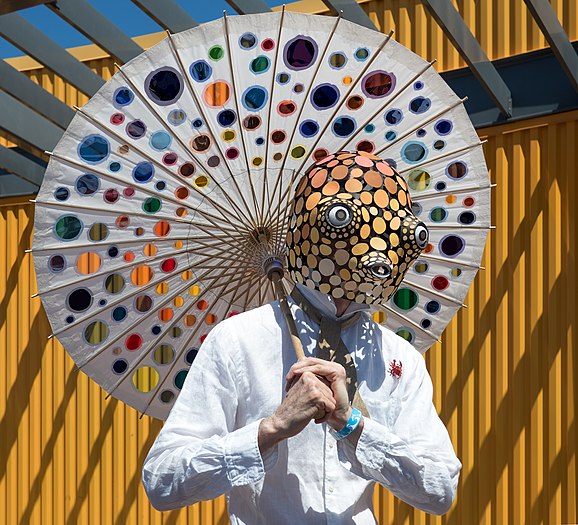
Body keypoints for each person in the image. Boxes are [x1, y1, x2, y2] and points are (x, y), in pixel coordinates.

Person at [142, 151, 461, 523]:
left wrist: (353, 424)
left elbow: (439, 490)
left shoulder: (398, 358)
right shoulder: (237, 340)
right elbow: (162, 481)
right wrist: (270, 430)